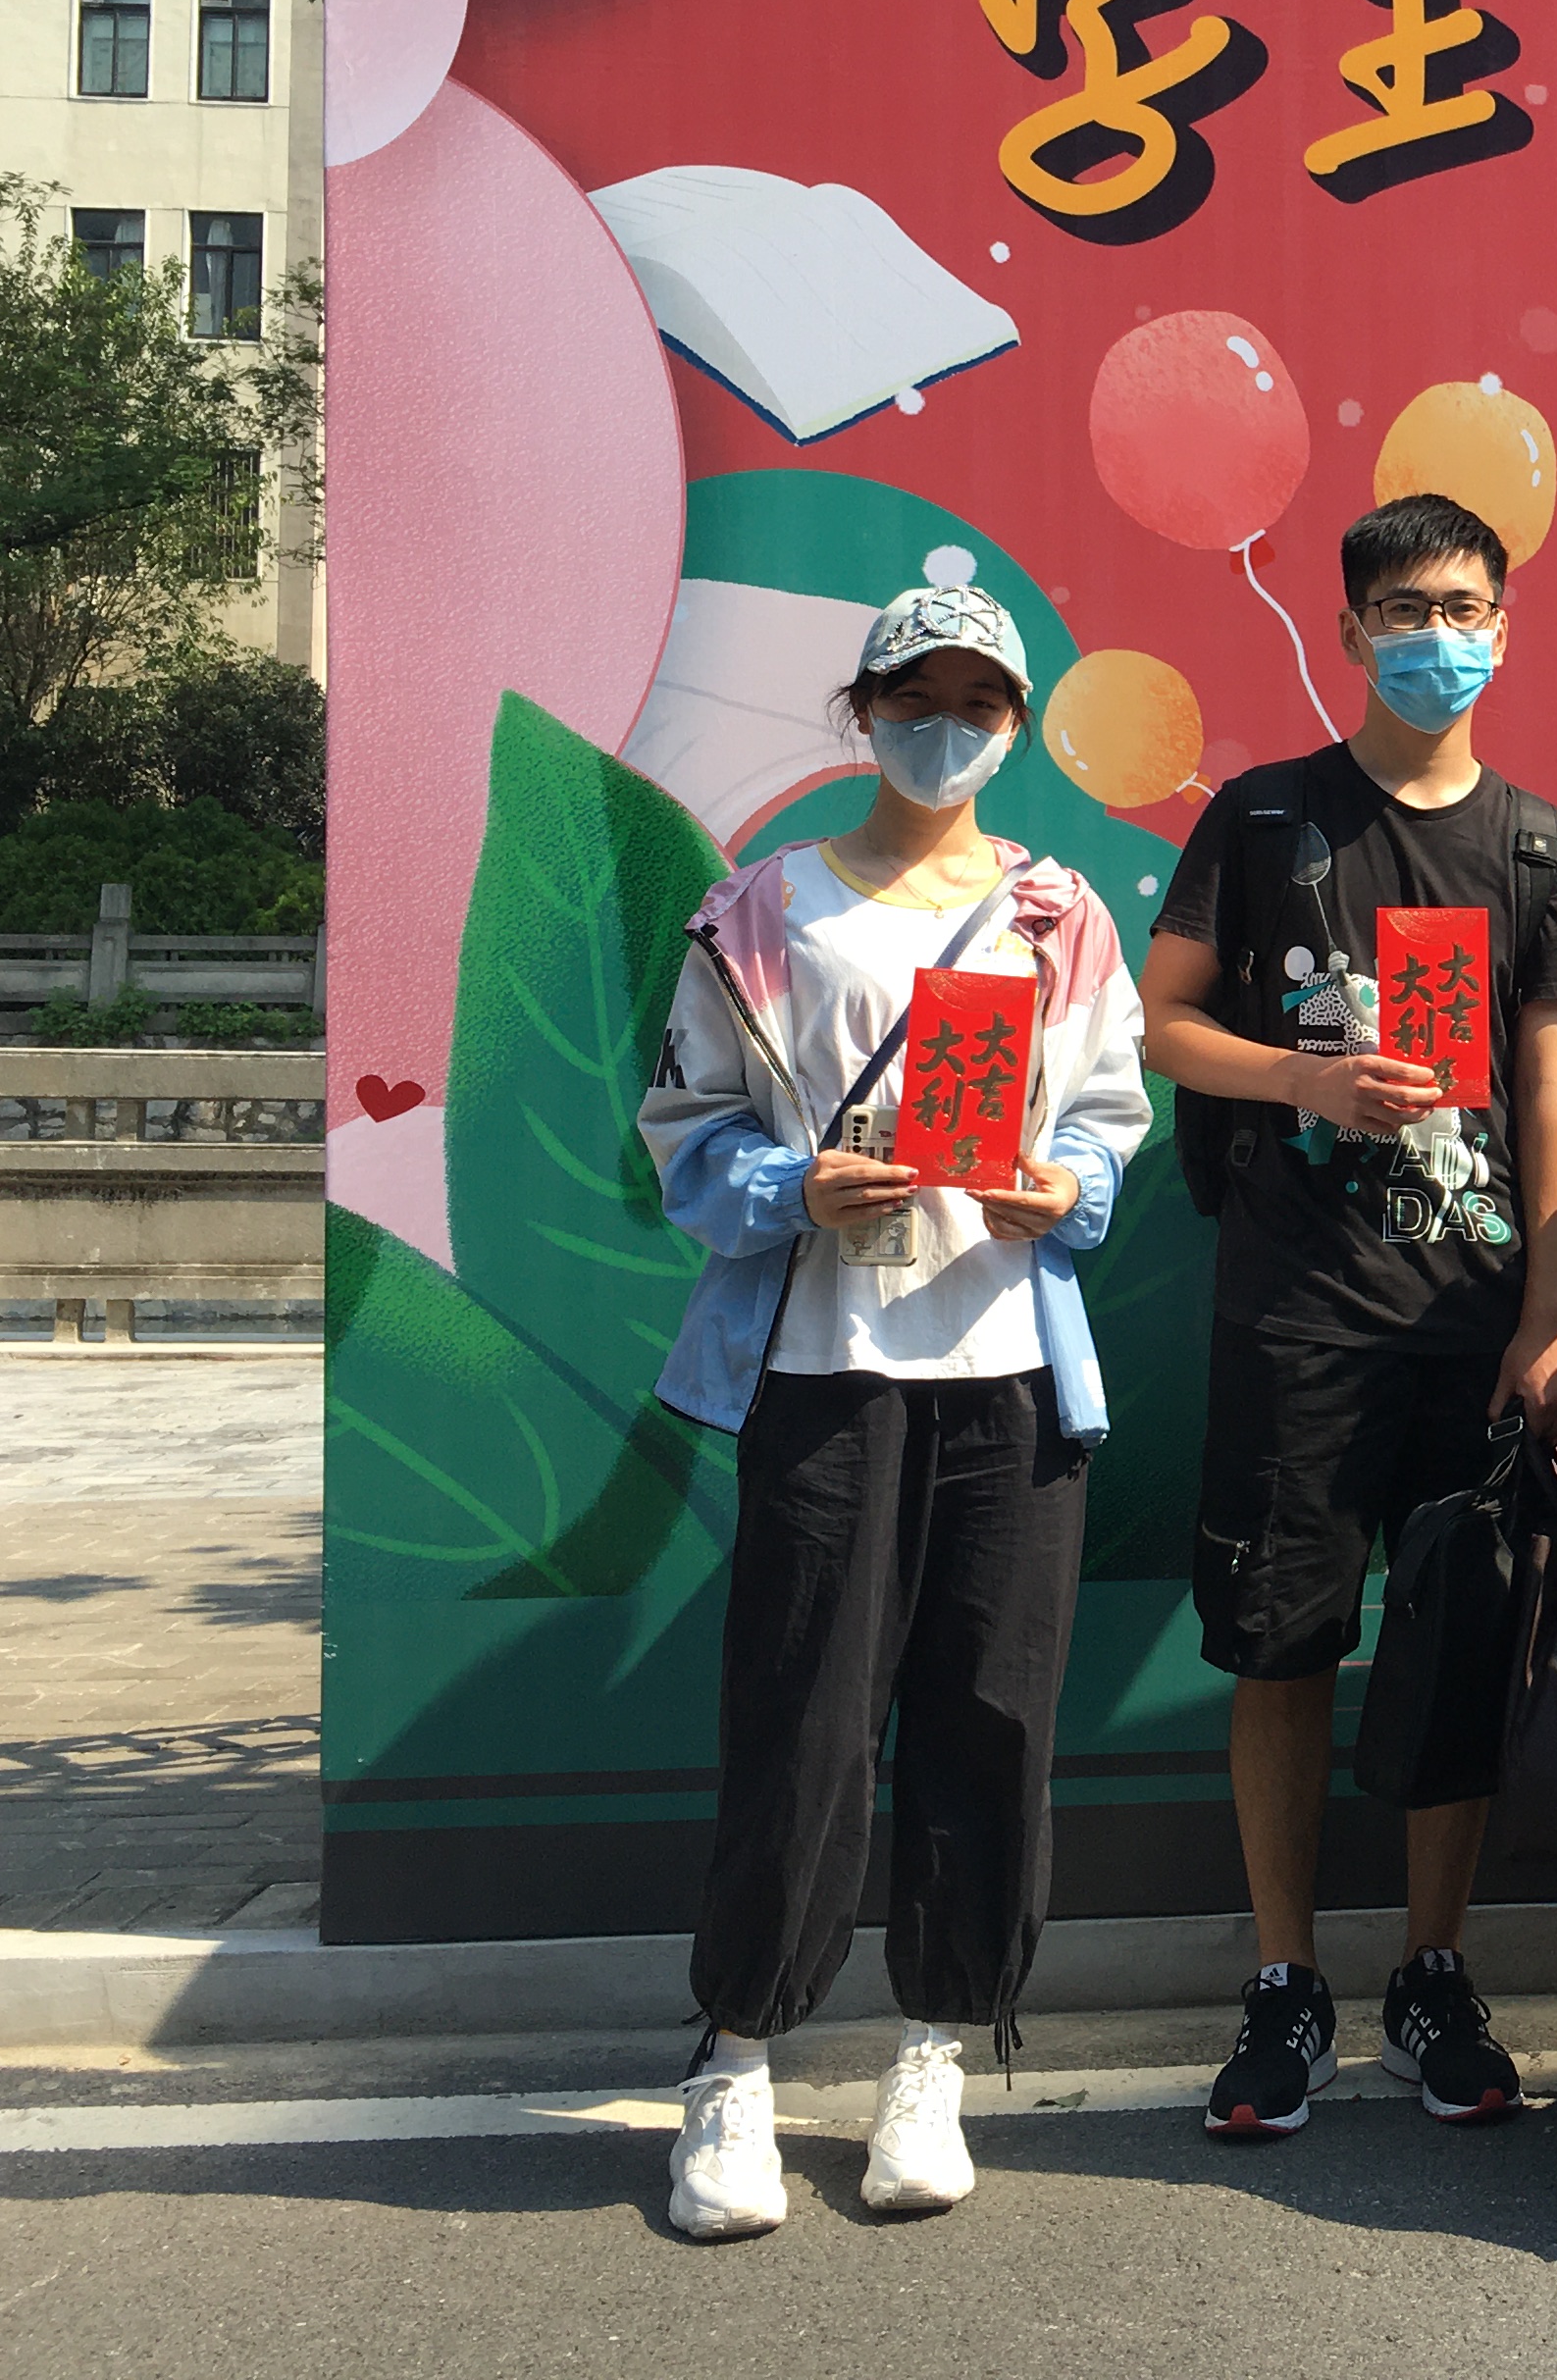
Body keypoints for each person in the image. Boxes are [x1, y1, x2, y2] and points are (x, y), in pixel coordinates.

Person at [639, 583, 1156, 2243]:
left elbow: (1108, 1110)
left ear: (1016, 724)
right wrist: (792, 1185)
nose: (948, 730)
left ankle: (933, 2053)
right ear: (861, 712)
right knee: (800, 1718)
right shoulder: (762, 908)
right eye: (916, 699)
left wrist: (1065, 1185)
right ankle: (734, 2061)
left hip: (1008, 1370)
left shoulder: (1057, 913)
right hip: (825, 1367)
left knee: (990, 1717)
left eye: (979, 704)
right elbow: (686, 1127)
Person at [1139, 493, 1557, 2137]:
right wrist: (1306, 1079)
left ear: (1505, 626)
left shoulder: (1537, 846)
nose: (1435, 636)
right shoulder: (1266, 818)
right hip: (1298, 1313)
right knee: (1281, 1647)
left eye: (1464, 606)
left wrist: (1545, 1318)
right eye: (1403, 609)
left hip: (1469, 1318)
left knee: (1455, 1648)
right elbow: (1163, 1020)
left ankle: (1431, 1971)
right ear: (1348, 631)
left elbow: (1550, 1097)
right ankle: (1282, 1981)